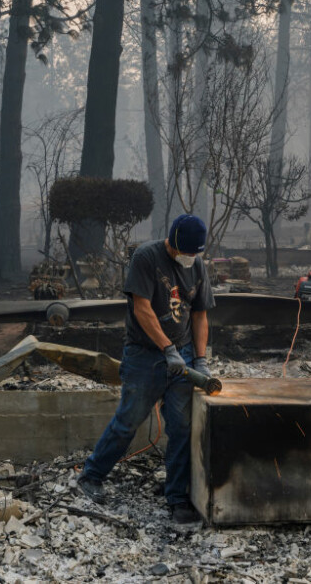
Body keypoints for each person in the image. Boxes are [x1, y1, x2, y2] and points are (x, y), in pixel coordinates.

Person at [76, 213, 216, 524]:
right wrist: (166, 348)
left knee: (181, 426)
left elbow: (200, 315)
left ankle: (177, 496)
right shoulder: (146, 258)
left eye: (196, 253)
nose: (191, 258)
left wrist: (200, 359)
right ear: (173, 243)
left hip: (183, 355)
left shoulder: (197, 265)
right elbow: (141, 308)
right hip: (145, 355)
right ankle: (91, 475)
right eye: (187, 252)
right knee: (128, 421)